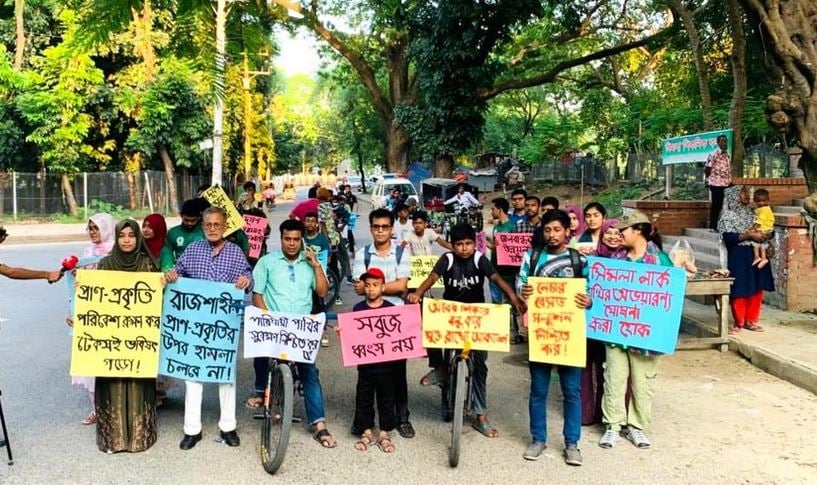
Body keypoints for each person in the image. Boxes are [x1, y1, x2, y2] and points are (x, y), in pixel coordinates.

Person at [408, 223, 526, 438]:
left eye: (468, 244)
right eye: (459, 244)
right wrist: (418, 293)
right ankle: (441, 369)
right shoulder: (447, 260)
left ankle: (481, 416)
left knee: (480, 366)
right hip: (451, 315)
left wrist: (513, 296)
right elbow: (432, 278)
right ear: (452, 245)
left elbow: (497, 279)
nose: (464, 248)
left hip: (476, 317)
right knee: (431, 327)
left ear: (475, 243)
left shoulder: (480, 259)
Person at [164, 207, 252, 450]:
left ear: (225, 226)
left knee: (226, 377)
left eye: (217, 224)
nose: (212, 228)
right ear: (203, 226)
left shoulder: (235, 253)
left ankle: (228, 427)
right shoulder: (192, 250)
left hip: (224, 327)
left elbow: (247, 276)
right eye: (208, 224)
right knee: (193, 376)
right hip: (195, 325)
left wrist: (246, 281)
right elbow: (177, 272)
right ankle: (192, 430)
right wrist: (171, 275)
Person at [252, 219, 337, 448]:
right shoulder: (266, 262)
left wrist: (317, 265)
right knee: (261, 357)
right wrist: (267, 319)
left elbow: (322, 291)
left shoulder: (310, 263)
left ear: (302, 240)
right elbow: (257, 295)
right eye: (287, 239)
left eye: (296, 240)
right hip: (275, 325)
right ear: (280, 239)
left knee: (309, 373)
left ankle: (319, 425)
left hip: (301, 329)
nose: (291, 244)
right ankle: (263, 393)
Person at [516, 210, 591, 465]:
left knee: (572, 391)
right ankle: (538, 439)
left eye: (557, 230)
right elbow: (521, 283)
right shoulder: (533, 256)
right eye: (548, 230)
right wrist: (523, 290)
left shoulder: (579, 260)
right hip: (542, 334)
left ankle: (572, 443)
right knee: (538, 389)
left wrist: (587, 300)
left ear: (567, 231)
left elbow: (589, 292)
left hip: (569, 336)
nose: (552, 235)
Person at [599, 211, 672, 450]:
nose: (618, 234)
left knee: (643, 381)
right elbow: (602, 292)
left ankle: (637, 427)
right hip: (616, 334)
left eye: (623, 230)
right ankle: (613, 425)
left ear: (638, 230)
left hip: (645, 337)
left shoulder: (659, 260)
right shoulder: (616, 261)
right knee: (614, 378)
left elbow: (670, 295)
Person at [94, 219, 159, 453]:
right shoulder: (105, 264)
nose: (127, 240)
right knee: (112, 383)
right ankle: (114, 438)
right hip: (111, 339)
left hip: (138, 340)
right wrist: (78, 316)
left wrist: (165, 282)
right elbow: (93, 300)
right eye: (122, 236)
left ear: (138, 238)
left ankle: (139, 437)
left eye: (131, 235)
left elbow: (157, 300)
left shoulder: (148, 265)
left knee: (137, 383)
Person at [352, 208, 413, 438]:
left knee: (397, 371)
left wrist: (374, 287)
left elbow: (403, 286)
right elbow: (359, 288)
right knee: (366, 374)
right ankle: (363, 421)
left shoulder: (401, 253)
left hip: (395, 320)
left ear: (391, 229)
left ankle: (402, 418)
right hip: (368, 320)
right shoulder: (363, 254)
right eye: (376, 227)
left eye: (385, 227)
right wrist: (387, 286)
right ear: (371, 229)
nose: (380, 231)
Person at [343, 268, 398, 454]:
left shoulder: (391, 308)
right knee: (364, 397)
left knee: (386, 398)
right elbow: (353, 334)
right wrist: (344, 331)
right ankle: (365, 430)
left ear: (383, 286)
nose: (371, 289)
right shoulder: (359, 308)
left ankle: (384, 433)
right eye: (367, 285)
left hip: (387, 368)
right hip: (366, 367)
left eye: (375, 285)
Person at [67, 213, 115, 425]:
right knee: (91, 363)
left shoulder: (117, 251)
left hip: (112, 315)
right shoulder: (87, 253)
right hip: (90, 314)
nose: (93, 232)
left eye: (96, 228)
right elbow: (78, 287)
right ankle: (97, 409)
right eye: (90, 228)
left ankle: (115, 407)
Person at [718, 185, 775, 333]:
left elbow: (768, 226)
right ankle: (739, 321)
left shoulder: (754, 212)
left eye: (746, 192)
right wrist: (749, 235)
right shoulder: (727, 216)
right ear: (733, 196)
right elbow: (728, 237)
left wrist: (767, 237)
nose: (747, 195)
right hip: (739, 255)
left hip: (756, 253)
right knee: (740, 288)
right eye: (742, 193)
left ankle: (751, 320)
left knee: (757, 287)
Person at [486, 198, 524, 345]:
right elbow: (497, 247)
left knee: (512, 301)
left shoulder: (513, 226)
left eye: (493, 209)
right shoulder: (496, 227)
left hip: (509, 271)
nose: (492, 212)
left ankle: (516, 333)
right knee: (496, 302)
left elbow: (512, 248)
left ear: (500, 209)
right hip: (495, 269)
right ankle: (500, 332)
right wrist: (487, 243)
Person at [160, 199, 206, 271]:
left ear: (199, 217)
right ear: (181, 215)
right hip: (179, 271)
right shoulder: (173, 232)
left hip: (201, 271)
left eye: (193, 220)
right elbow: (167, 251)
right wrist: (168, 268)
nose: (189, 223)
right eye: (186, 220)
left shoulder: (206, 232)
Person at [706, 134, 732, 230]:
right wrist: (708, 179)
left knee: (724, 205)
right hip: (715, 183)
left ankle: (723, 225)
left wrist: (730, 180)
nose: (724, 143)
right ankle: (712, 226)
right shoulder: (713, 153)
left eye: (725, 141)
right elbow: (708, 168)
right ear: (718, 142)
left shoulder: (727, 154)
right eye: (722, 141)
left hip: (726, 183)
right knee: (716, 205)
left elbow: (728, 168)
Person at [751, 188, 774, 268]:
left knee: (756, 242)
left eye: (764, 201)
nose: (762, 203)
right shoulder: (761, 209)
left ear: (768, 200)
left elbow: (760, 221)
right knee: (761, 244)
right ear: (755, 201)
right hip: (765, 229)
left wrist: (753, 228)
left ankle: (759, 257)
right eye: (759, 201)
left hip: (765, 229)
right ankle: (761, 258)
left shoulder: (764, 209)